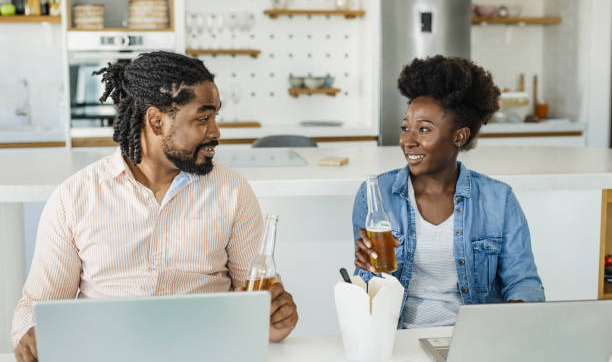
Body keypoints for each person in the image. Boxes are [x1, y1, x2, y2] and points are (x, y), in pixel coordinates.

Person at [12, 51, 298, 362]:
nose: (215, 132)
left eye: (214, 117)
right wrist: (32, 333)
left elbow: (258, 311)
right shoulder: (75, 198)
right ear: (156, 121)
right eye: (203, 118)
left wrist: (277, 318)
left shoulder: (233, 191)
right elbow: (36, 306)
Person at [353, 55, 545, 329]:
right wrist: (366, 272)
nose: (408, 141)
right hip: (397, 337)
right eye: (405, 127)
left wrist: (510, 324)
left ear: (459, 136)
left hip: (474, 338)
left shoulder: (498, 199)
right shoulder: (376, 196)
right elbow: (367, 298)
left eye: (424, 129)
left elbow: (523, 282)